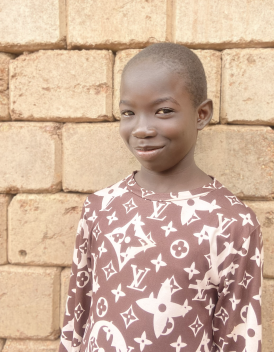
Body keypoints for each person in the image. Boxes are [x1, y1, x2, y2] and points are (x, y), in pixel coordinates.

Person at [59, 43, 263, 352]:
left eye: (163, 111)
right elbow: (77, 317)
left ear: (202, 114)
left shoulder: (231, 223)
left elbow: (238, 337)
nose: (141, 129)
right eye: (128, 113)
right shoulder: (100, 208)